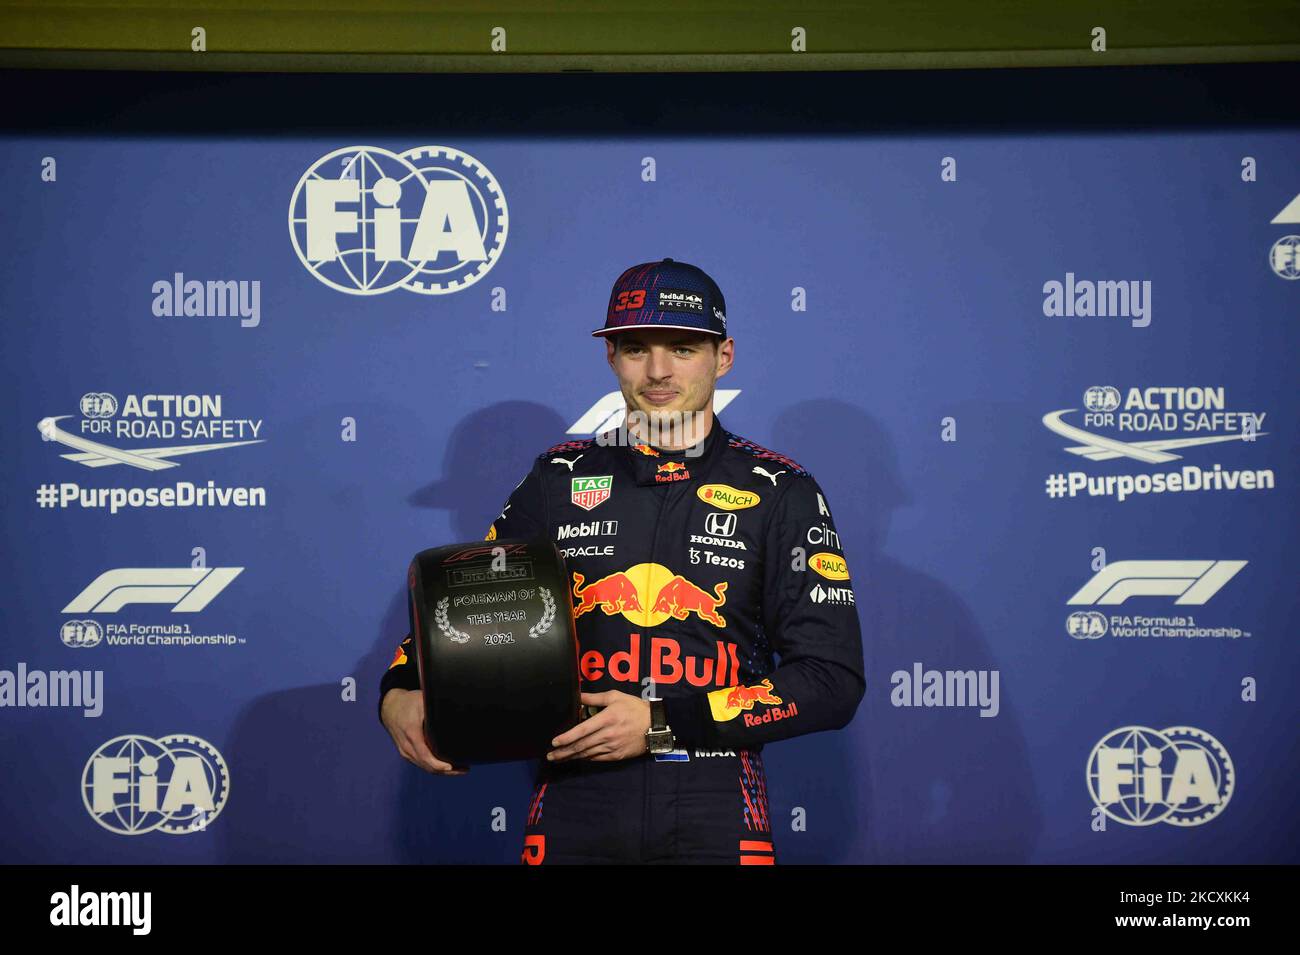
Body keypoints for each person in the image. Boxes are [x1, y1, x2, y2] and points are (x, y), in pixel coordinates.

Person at [379, 257, 864, 864]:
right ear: (611, 357)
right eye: (635, 350)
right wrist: (401, 687)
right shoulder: (559, 477)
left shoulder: (782, 489)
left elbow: (831, 682)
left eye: (683, 349)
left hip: (714, 804)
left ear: (725, 355)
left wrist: (661, 723)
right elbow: (468, 609)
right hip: (573, 796)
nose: (657, 372)